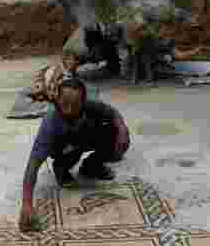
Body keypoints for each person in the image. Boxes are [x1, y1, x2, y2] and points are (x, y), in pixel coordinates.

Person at [18, 76, 130, 232]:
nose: (69, 110)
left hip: (83, 138)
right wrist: (27, 204)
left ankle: (91, 165)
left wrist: (122, 129)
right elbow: (33, 164)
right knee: (70, 152)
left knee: (117, 138)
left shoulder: (89, 106)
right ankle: (60, 169)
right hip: (64, 149)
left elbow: (112, 112)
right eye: (64, 104)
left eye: (75, 105)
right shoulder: (51, 123)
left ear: (83, 102)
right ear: (57, 100)